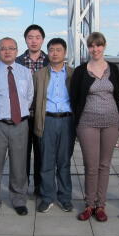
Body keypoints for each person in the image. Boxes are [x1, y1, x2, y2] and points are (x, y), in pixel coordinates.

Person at [70, 32, 119, 222]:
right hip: (87, 123)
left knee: (104, 165)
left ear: (104, 46)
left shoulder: (113, 69)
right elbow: (74, 98)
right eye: (91, 46)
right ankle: (89, 204)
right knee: (91, 166)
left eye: (98, 45)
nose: (95, 49)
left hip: (111, 122)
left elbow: (117, 94)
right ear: (88, 48)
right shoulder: (81, 71)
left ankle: (101, 205)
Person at [0, 37, 34, 217]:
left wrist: (18, 114)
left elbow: (29, 97)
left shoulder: (25, 72)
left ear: (16, 50)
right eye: (3, 48)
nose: (7, 51)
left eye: (11, 48)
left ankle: (19, 200)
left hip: (20, 124)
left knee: (19, 165)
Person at [32, 38, 75, 213]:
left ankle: (65, 197)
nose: (54, 53)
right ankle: (47, 197)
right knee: (46, 161)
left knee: (64, 161)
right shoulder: (39, 74)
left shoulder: (73, 74)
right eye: (51, 50)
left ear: (65, 53)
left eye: (58, 49)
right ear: (47, 52)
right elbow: (33, 99)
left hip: (67, 121)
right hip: (47, 120)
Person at [15, 24, 49, 196]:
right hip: (23, 115)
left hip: (43, 115)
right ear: (25, 40)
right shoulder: (17, 62)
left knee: (42, 153)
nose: (34, 41)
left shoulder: (51, 61)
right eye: (30, 37)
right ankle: (22, 187)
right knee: (22, 154)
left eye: (37, 37)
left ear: (43, 40)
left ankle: (39, 187)